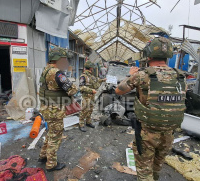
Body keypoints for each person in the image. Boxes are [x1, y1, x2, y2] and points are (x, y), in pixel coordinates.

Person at [115, 37, 187, 181]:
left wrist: (130, 74)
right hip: (169, 133)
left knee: (144, 171)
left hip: (148, 133)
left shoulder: (142, 75)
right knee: (157, 166)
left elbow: (119, 90)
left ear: (148, 55)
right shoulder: (180, 76)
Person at [38, 47, 78, 171]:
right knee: (55, 137)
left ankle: (43, 156)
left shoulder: (45, 70)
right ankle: (51, 164)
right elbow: (72, 89)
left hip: (46, 108)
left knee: (50, 133)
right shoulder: (57, 73)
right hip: (55, 111)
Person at [79, 61, 105, 132]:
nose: (93, 69)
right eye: (92, 68)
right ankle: (81, 124)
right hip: (86, 96)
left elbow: (96, 80)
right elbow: (81, 87)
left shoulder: (91, 76)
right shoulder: (83, 76)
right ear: (90, 68)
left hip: (92, 96)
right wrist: (91, 90)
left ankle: (88, 122)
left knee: (90, 110)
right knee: (84, 110)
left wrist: (103, 80)